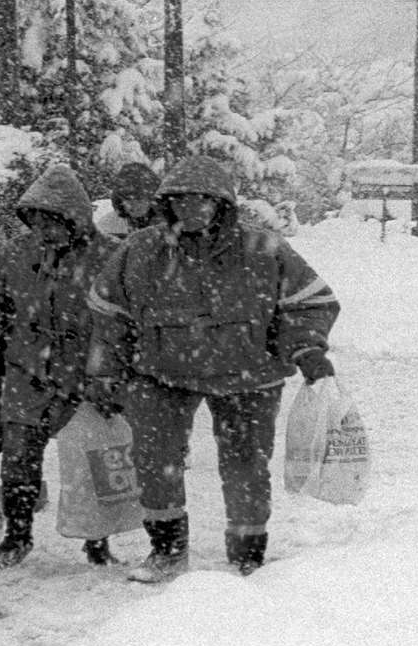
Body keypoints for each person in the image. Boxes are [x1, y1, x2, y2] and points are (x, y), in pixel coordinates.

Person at [85, 156, 341, 582]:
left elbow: (310, 303)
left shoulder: (264, 249)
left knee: (245, 465)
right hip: (160, 373)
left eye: (203, 200)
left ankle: (247, 552)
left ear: (222, 204)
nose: (192, 209)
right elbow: (107, 311)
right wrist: (104, 370)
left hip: (249, 375)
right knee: (155, 460)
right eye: (181, 201)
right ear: (166, 204)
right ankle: (167, 550)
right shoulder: (140, 251)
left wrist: (307, 349)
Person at [0, 163, 122, 569]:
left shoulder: (111, 258)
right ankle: (17, 535)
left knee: (90, 458)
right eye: (36, 220)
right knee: (19, 457)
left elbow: (127, 319)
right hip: (28, 371)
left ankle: (97, 540)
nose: (44, 229)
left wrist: (113, 371)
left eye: (52, 221)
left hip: (88, 375)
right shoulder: (14, 256)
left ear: (73, 218)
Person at [92, 161, 162, 242]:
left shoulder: (168, 226)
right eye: (127, 199)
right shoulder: (108, 225)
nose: (132, 205)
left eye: (138, 199)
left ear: (151, 197)